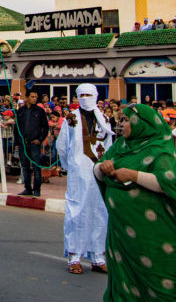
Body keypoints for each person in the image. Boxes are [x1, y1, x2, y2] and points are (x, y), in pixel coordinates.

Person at [95, 104, 176, 300]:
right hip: (121, 233)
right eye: (120, 121)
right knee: (124, 284)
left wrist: (132, 175)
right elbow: (98, 171)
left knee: (157, 288)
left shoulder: (160, 150)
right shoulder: (120, 146)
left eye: (125, 121)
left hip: (153, 235)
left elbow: (169, 183)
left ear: (140, 124)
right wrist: (102, 167)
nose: (121, 125)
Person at [56, 83, 113, 275]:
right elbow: (62, 145)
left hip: (99, 170)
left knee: (100, 211)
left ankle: (98, 257)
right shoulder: (70, 119)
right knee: (77, 212)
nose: (86, 98)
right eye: (82, 95)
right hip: (78, 172)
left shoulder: (104, 119)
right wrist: (70, 165)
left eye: (89, 94)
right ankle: (74, 257)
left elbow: (109, 145)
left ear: (96, 96)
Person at [15, 88, 48, 197]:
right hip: (23, 144)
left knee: (36, 167)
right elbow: (17, 128)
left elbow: (46, 128)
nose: (34, 99)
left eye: (36, 97)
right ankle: (27, 188)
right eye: (32, 97)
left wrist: (40, 139)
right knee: (25, 167)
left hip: (34, 143)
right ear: (27, 98)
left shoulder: (40, 111)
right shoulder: (20, 111)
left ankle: (37, 189)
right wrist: (17, 142)